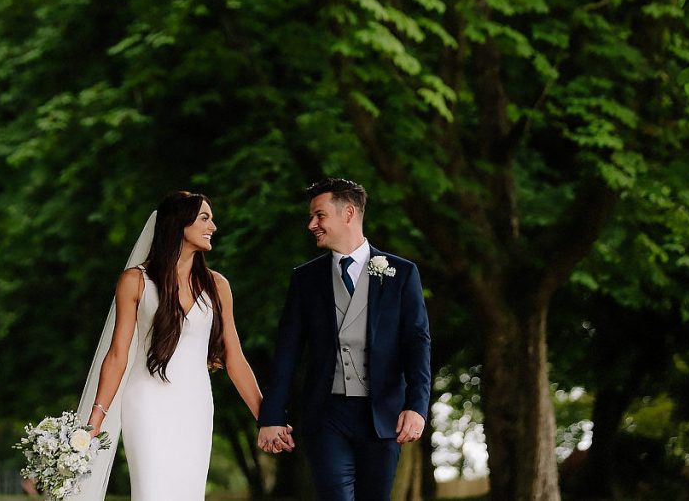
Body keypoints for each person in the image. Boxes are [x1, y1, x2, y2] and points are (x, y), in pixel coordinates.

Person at [77, 191, 268, 501]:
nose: (213, 226)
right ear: (179, 224)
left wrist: (266, 414)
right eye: (205, 218)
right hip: (146, 402)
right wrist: (94, 421)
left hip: (196, 406)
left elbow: (234, 358)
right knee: (151, 493)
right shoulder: (135, 281)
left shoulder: (217, 285)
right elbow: (117, 356)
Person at [257, 178, 432, 500]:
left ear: (348, 213)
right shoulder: (305, 278)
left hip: (383, 416)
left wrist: (417, 407)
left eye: (319, 215)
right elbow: (287, 351)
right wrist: (271, 417)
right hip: (327, 415)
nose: (312, 224)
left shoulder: (402, 273)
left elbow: (417, 343)